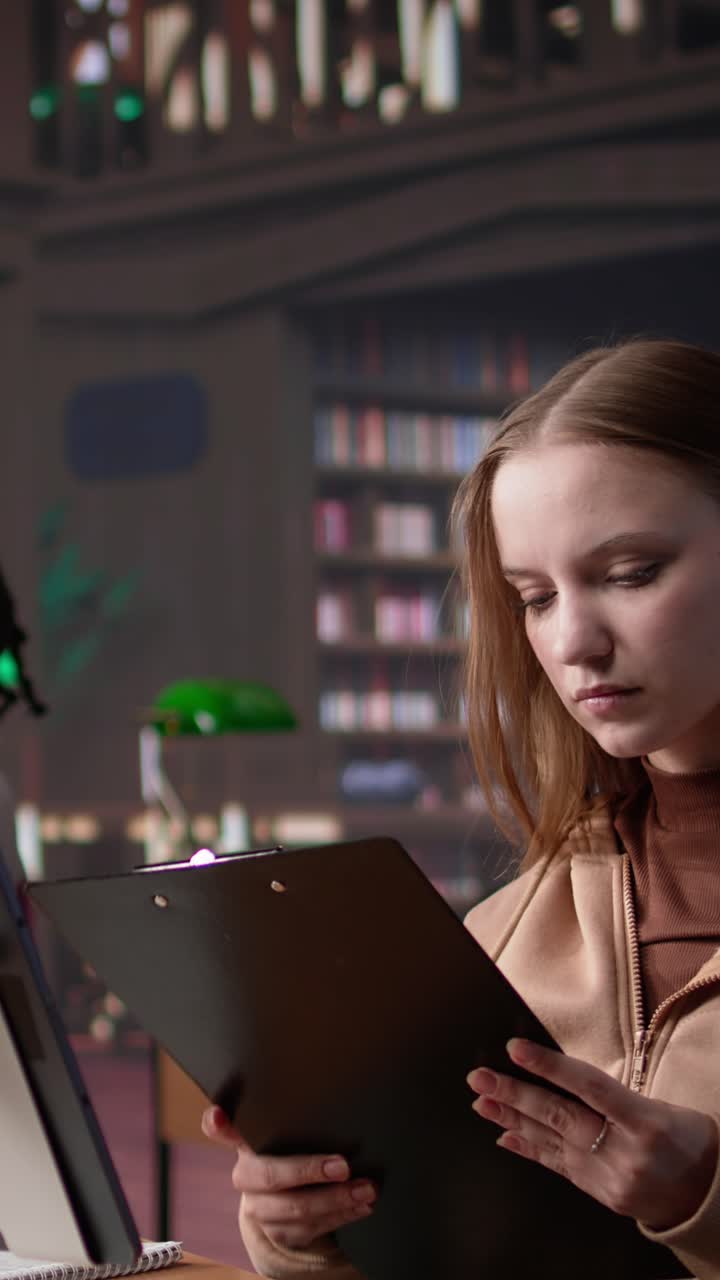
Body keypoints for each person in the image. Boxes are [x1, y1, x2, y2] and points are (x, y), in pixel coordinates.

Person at [203, 338, 720, 1280]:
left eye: (632, 572)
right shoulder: (510, 931)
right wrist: (304, 1226)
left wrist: (705, 1203)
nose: (571, 641)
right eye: (533, 596)